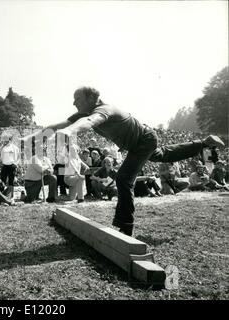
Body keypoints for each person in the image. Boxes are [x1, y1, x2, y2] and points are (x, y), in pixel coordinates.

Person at [21, 86, 225, 235]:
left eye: (78, 99)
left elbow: (90, 122)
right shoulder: (83, 112)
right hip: (137, 144)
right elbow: (59, 124)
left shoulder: (104, 110)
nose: (74, 103)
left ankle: (125, 226)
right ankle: (203, 143)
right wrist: (32, 137)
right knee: (165, 154)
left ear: (92, 98)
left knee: (124, 178)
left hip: (144, 139)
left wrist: (70, 131)